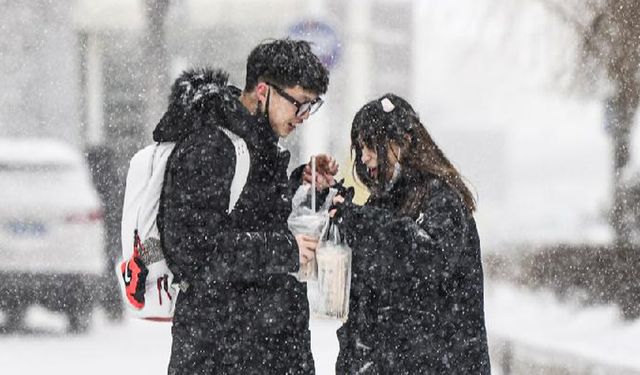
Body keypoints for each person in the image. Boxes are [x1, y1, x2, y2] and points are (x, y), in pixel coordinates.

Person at [154, 39, 329, 374]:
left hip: (262, 346)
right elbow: (194, 250)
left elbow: (251, 216)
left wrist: (301, 187)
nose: (303, 117)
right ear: (263, 91)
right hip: (222, 351)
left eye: (311, 107)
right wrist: (284, 250)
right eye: (299, 104)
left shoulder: (258, 143)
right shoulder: (212, 146)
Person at [330, 94, 491, 374]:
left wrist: (361, 222)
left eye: (370, 145)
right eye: (360, 147)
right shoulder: (383, 202)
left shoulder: (442, 200)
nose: (365, 156)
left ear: (403, 141)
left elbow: (427, 260)